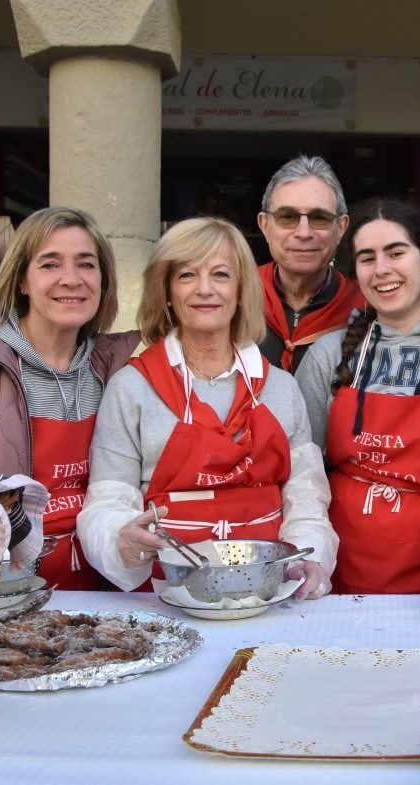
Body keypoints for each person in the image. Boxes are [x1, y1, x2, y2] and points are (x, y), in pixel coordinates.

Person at [77, 217, 336, 598]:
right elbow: (107, 502)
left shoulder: (281, 387)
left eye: (220, 274)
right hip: (166, 600)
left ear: (241, 289)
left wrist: (308, 557)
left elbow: (305, 497)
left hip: (269, 596)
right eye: (186, 275)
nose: (204, 289)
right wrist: (121, 539)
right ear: (166, 290)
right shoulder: (131, 388)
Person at [0, 207, 139, 590]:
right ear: (21, 281)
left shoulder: (118, 368)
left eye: (86, 264)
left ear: (104, 279)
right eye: (50, 265)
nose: (71, 279)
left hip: (110, 597)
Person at [295, 199, 420, 594]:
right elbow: (302, 473)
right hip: (339, 571)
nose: (382, 269)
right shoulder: (327, 354)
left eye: (396, 252)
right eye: (367, 258)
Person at [256, 155, 420, 373]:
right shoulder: (234, 299)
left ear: (341, 227)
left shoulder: (372, 303)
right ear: (265, 225)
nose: (304, 232)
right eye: (287, 217)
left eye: (319, 218)